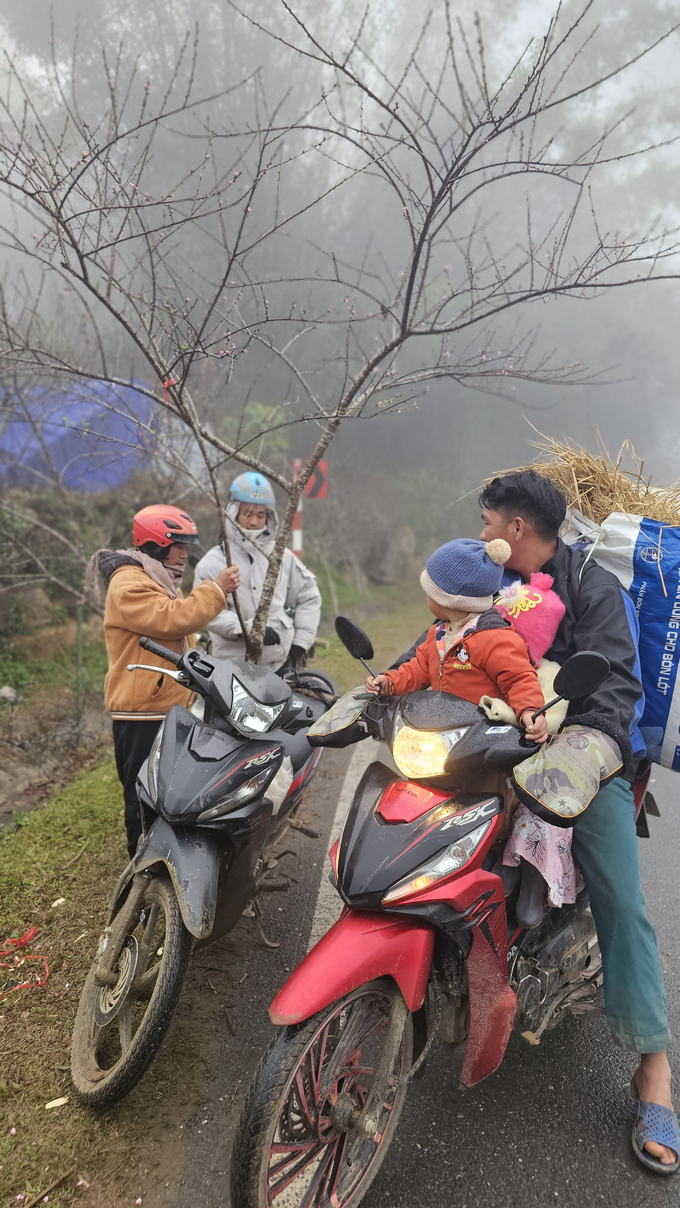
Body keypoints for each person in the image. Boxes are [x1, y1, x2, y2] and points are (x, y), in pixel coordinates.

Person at [477, 470, 677, 1174]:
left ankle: (654, 1067)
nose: (481, 537)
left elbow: (616, 683)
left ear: (519, 531)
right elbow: (452, 638)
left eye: (488, 525)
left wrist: (569, 734)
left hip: (586, 753)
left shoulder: (595, 589)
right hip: (499, 742)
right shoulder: (492, 583)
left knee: (624, 900)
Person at [88, 504, 240, 857]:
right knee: (142, 796)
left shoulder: (154, 577)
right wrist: (216, 590)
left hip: (163, 705)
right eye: (179, 545)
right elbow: (174, 620)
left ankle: (165, 860)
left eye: (187, 547)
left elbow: (177, 638)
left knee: (169, 790)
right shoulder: (129, 584)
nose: (184, 555)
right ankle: (139, 872)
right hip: (141, 711)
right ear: (157, 544)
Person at [193, 472, 321, 672]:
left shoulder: (281, 557)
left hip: (280, 665)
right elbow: (206, 613)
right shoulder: (212, 563)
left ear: (269, 517)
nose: (254, 521)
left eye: (261, 515)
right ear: (234, 512)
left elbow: (309, 596)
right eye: (247, 514)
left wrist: (300, 645)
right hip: (231, 668)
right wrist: (250, 628)